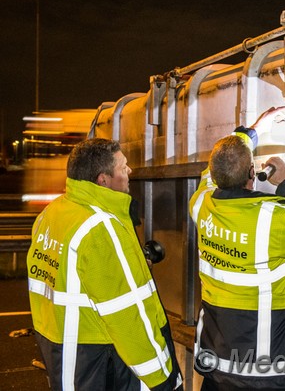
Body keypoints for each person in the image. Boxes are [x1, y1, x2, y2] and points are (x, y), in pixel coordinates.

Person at [190, 108, 285, 390]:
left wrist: (251, 131)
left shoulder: (201, 204)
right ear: (252, 173)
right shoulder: (272, 219)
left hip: (216, 360)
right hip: (263, 365)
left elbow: (210, 175)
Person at [27, 138, 183, 391]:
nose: (130, 171)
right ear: (103, 179)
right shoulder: (101, 228)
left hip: (61, 349)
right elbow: (127, 318)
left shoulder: (52, 212)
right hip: (98, 359)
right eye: (123, 167)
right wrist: (163, 380)